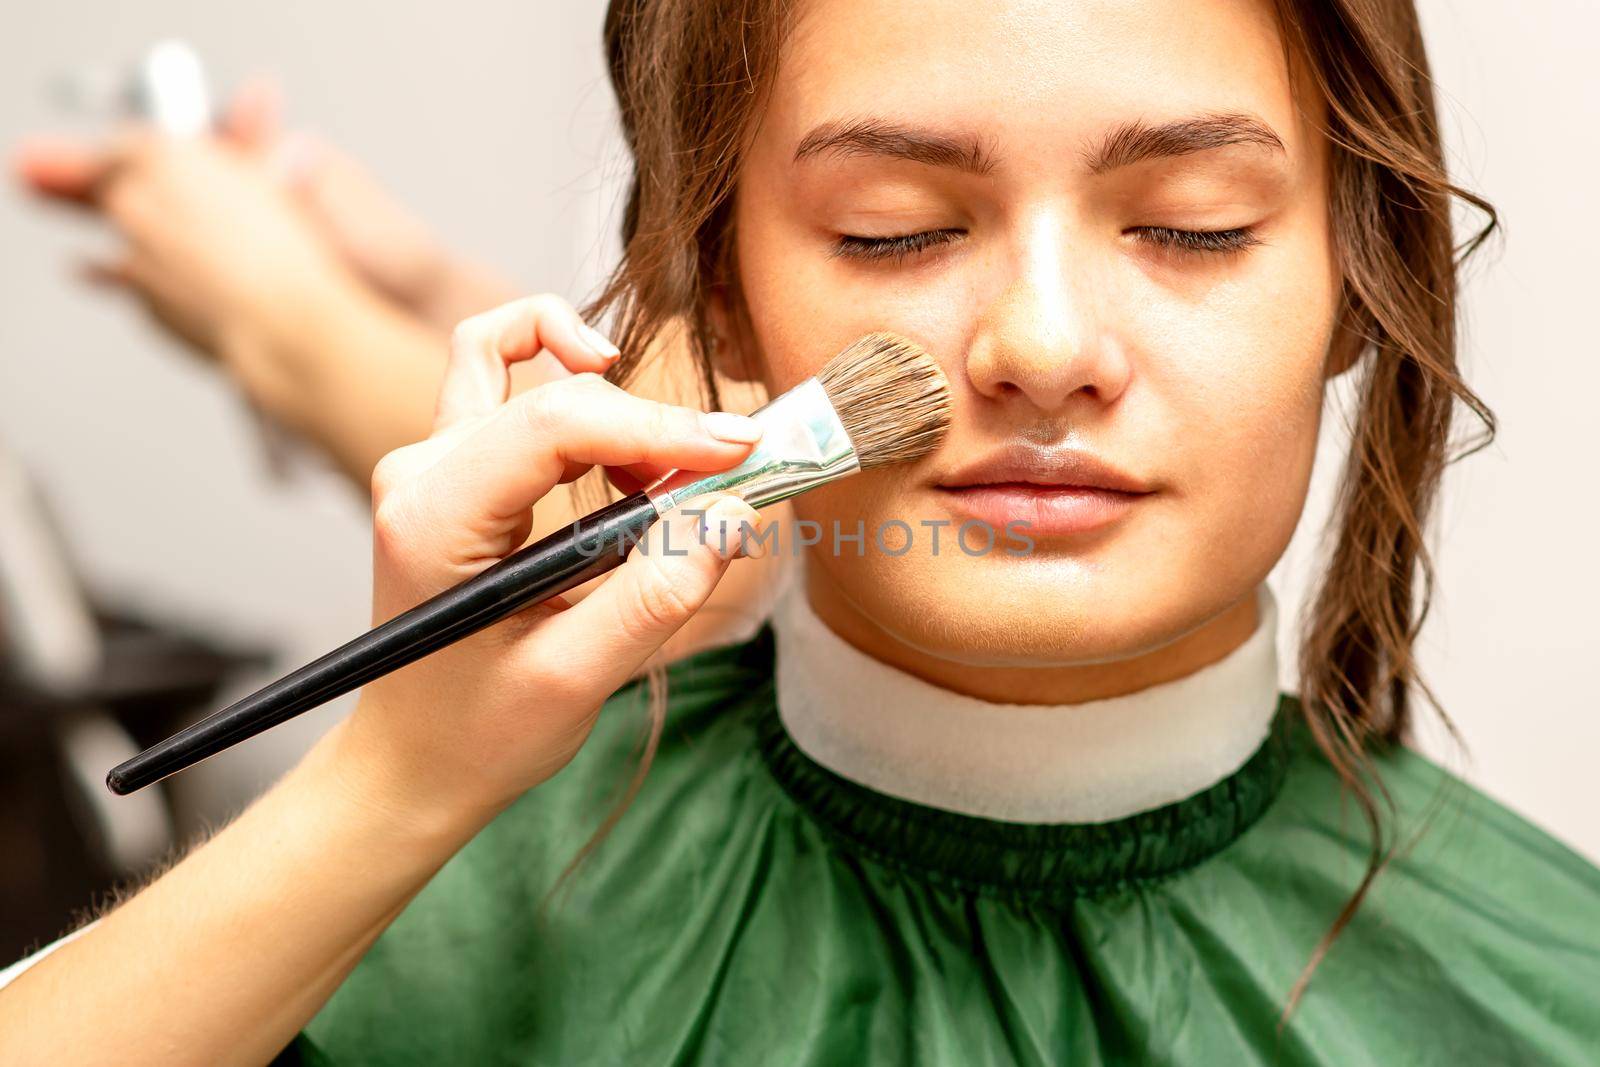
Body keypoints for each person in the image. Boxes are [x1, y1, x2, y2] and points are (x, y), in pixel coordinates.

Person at [4, 0, 1599, 1063]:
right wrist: (394, 788)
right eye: (891, 231)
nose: (1042, 346)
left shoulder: (1547, 993)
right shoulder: (423, 930)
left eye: (1192, 223)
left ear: (1356, 281)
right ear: (725, 291)